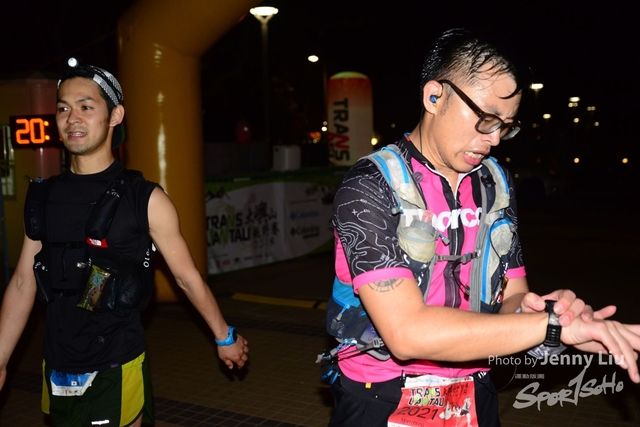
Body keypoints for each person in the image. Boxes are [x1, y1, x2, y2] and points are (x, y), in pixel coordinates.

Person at [326, 28, 640, 427]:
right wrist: (549, 327)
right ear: (434, 96)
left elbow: (512, 296)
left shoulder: (495, 182)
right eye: (486, 119)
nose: (494, 139)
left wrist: (547, 315)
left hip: (475, 391)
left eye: (505, 125)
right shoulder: (370, 186)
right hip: (384, 395)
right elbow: (406, 334)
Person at [0, 58, 249, 427]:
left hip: (117, 363)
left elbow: (186, 277)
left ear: (115, 115)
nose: (72, 119)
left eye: (86, 107)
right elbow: (24, 281)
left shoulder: (145, 199)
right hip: (57, 365)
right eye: (63, 109)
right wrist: (1, 358)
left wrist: (224, 336)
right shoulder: (43, 197)